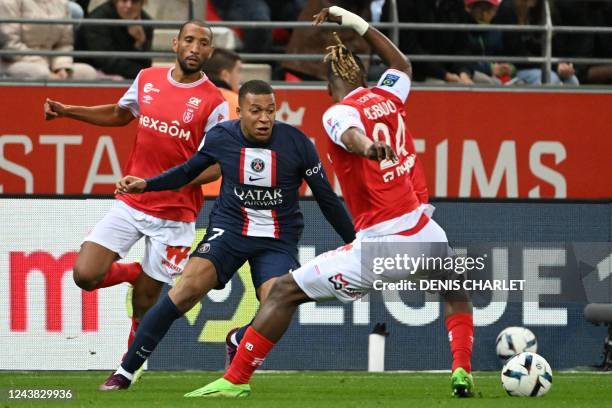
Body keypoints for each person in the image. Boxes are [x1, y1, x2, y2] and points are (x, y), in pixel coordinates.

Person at [189, 5, 475, 398]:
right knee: (455, 288)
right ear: (362, 74)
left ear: (328, 85)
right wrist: (359, 24)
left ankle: (234, 380)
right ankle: (461, 370)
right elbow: (403, 65)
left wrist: (370, 147)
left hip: (382, 245)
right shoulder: (388, 95)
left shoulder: (337, 113)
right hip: (426, 230)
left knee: (285, 291)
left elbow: (351, 134)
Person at [100, 79, 356, 391]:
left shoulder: (298, 143)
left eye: (271, 111)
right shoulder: (221, 136)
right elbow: (187, 171)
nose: (264, 118)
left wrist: (354, 241)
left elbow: (327, 199)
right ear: (240, 111)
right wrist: (147, 184)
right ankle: (125, 372)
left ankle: (240, 339)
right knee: (185, 291)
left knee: (277, 301)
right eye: (256, 111)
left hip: (277, 238)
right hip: (230, 229)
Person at [43, 19, 228, 377]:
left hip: (175, 215)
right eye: (188, 40)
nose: (194, 47)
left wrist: (161, 183)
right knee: (85, 274)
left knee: (145, 303)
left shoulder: (214, 102)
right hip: (132, 203)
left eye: (202, 43)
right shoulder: (148, 79)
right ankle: (133, 271)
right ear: (175, 43)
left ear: (209, 52)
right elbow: (119, 113)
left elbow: (216, 167)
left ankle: (127, 370)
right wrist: (69, 111)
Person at [0, 0, 97, 80]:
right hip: (13, 62)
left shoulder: (62, 3)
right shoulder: (8, 2)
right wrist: (44, 65)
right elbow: (10, 46)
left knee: (87, 73)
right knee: (41, 73)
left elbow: (64, 43)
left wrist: (61, 67)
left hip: (51, 63)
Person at [76, 0, 154, 79]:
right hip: (93, 68)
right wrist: (142, 73)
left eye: (134, 2)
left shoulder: (146, 22)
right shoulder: (98, 19)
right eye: (124, 1)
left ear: (141, 4)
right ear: (116, 2)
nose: (129, 5)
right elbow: (105, 61)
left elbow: (147, 65)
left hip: (127, 72)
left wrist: (140, 43)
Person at [203, 48, 242, 119]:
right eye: (238, 71)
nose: (241, 77)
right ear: (225, 75)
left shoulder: (192, 95)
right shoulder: (236, 102)